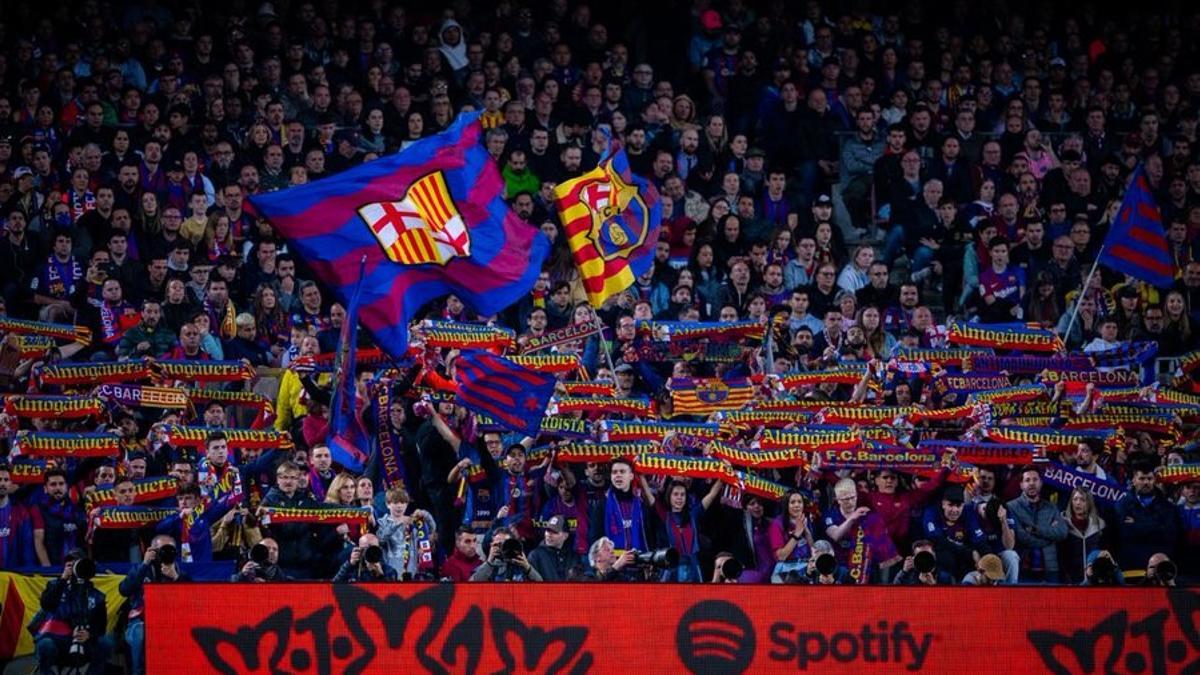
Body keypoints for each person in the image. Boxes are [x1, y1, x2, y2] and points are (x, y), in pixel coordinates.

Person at [119, 535, 190, 675]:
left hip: (172, 622)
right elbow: (124, 590)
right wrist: (144, 564)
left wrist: (176, 578)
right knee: (139, 632)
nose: (165, 553)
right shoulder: (140, 570)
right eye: (160, 550)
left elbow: (192, 600)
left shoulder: (181, 574)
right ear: (151, 550)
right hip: (141, 621)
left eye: (169, 549)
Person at [31, 549, 110, 675]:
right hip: (56, 639)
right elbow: (46, 605)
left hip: (83, 641)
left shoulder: (96, 595)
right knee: (45, 645)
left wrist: (89, 634)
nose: (73, 568)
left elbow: (101, 626)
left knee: (105, 643)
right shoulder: (54, 585)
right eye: (69, 564)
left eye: (76, 564)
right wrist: (63, 579)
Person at [1006, 467, 1069, 583]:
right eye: (1027, 480)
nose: (1031, 483)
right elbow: (1022, 537)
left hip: (1051, 569)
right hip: (1024, 569)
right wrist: (1050, 537)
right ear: (1021, 485)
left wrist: (1035, 530)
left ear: (1041, 483)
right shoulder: (1011, 507)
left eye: (1035, 480)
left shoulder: (1051, 507)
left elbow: (1062, 532)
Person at [1114, 463, 1181, 573]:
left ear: (1154, 480)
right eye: (1141, 478)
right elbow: (1124, 534)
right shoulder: (1121, 506)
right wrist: (1155, 524)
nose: (1146, 482)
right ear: (1134, 481)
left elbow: (1169, 535)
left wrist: (1137, 524)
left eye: (1149, 478)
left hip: (1160, 569)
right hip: (1130, 568)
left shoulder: (1168, 507)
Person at [470, 526, 542, 581]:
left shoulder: (520, 564)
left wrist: (527, 567)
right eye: (499, 544)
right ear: (492, 545)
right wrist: (489, 562)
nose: (503, 548)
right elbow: (472, 584)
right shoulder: (489, 566)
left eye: (506, 544)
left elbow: (541, 585)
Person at [527, 514, 580, 581]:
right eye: (548, 530)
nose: (549, 535)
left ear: (565, 536)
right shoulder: (535, 556)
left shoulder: (573, 557)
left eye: (554, 532)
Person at [332, 533, 400, 582]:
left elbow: (390, 597)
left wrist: (380, 575)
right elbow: (333, 586)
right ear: (359, 549)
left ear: (379, 549)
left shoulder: (389, 571)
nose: (369, 551)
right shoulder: (352, 569)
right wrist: (349, 564)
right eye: (365, 548)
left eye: (372, 548)